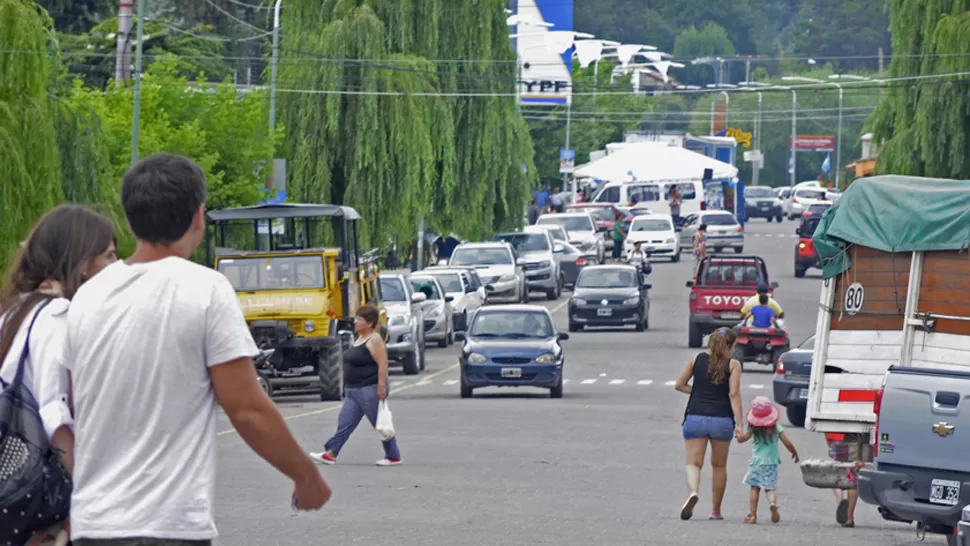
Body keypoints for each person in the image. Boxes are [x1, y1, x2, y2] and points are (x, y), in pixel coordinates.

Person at [64, 154, 331, 545]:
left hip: (94, 524)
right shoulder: (205, 289)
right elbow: (247, 409)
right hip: (168, 526)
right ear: (199, 217)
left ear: (129, 217)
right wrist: (305, 476)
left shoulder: (88, 297)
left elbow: (73, 404)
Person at [0, 205, 118, 545]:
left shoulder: (13, 311)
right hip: (41, 499)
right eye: (108, 257)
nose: (116, 266)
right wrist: (85, 489)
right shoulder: (56, 315)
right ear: (81, 263)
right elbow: (55, 413)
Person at [310, 304, 402, 466]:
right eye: (356, 318)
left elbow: (382, 364)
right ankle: (330, 454)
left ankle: (393, 455)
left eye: (359, 319)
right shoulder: (359, 338)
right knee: (345, 422)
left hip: (368, 387)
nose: (355, 322)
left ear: (370, 322)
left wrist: (381, 386)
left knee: (380, 423)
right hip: (353, 389)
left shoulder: (374, 339)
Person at [674, 328, 743, 521]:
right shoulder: (733, 364)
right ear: (731, 345)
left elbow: (679, 385)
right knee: (719, 466)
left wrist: (697, 392)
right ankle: (716, 511)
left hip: (695, 416)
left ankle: (693, 492)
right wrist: (740, 423)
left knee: (693, 463)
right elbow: (734, 394)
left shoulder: (696, 359)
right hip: (722, 420)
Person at [736, 396, 800, 524]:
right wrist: (794, 453)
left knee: (755, 488)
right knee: (770, 488)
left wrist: (738, 435)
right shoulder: (776, 428)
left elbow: (742, 439)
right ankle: (772, 504)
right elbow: (787, 443)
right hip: (771, 463)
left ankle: (753, 515)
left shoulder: (752, 428)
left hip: (756, 463)